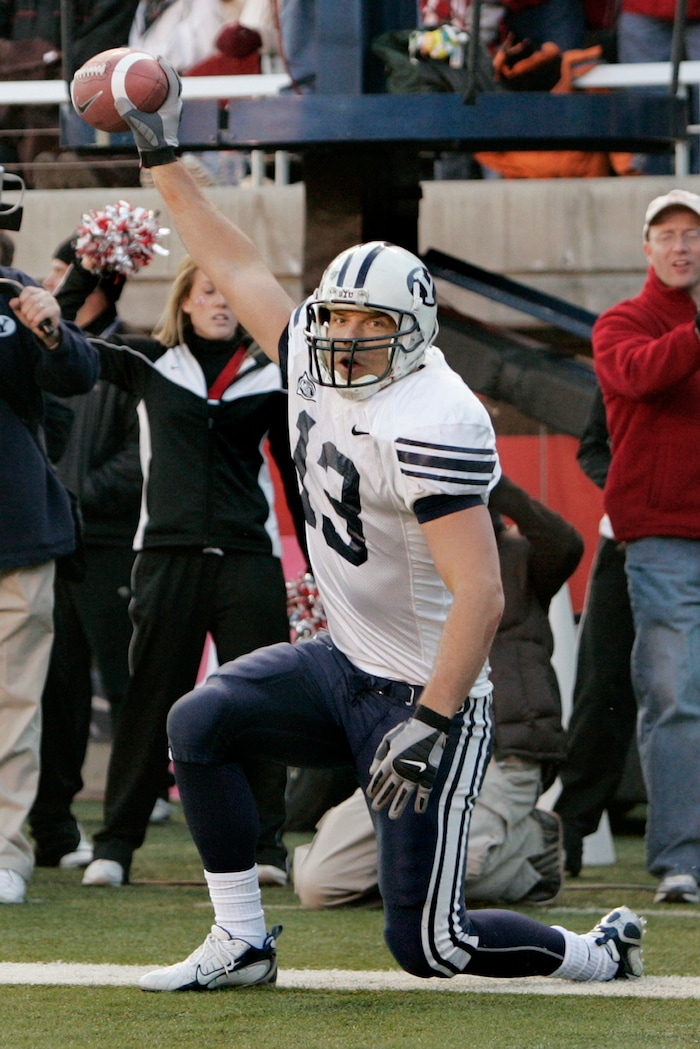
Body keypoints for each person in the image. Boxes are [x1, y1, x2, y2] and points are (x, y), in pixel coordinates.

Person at [108, 66, 645, 992]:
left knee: (428, 945)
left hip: (428, 693)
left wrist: (429, 722)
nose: (344, 335)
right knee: (199, 721)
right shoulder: (313, 353)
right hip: (344, 663)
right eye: (338, 316)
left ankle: (598, 952)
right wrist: (157, 145)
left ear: (414, 331)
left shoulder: (435, 414)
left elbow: (479, 592)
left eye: (369, 322)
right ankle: (241, 939)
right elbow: (231, 260)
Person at [69, 252, 306, 890]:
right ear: (185, 301)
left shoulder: (272, 377)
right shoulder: (148, 363)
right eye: (208, 290)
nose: (221, 301)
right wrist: (77, 280)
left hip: (247, 561)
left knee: (261, 702)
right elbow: (68, 349)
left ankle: (266, 847)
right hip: (165, 559)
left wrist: (319, 568)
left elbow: (296, 480)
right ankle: (116, 844)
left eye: (230, 291)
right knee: (150, 699)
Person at [293, 474, 584, 908]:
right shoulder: (392, 565)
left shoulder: (517, 559)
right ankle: (417, 869)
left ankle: (533, 845)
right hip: (410, 750)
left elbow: (565, 544)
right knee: (321, 884)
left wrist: (488, 479)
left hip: (502, 757)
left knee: (452, 875)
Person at [592, 187, 700, 906]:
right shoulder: (620, 323)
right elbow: (639, 374)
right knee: (676, 696)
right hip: (661, 536)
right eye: (668, 234)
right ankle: (681, 858)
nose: (682, 245)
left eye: (692, 233)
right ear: (646, 248)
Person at [27, 233, 142, 870]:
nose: (50, 280)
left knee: (124, 682)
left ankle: (127, 816)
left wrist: (73, 493)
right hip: (50, 540)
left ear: (101, 284)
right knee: (54, 690)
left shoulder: (131, 356)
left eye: (64, 272)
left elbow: (138, 460)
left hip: (107, 544)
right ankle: (54, 824)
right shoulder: (32, 348)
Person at [0, 249, 98, 904]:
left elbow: (79, 375)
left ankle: (5, 850)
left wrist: (53, 330)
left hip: (17, 530)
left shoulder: (15, 293)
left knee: (13, 705)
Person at [553, 386, 638, 878]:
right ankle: (572, 824)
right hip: (629, 537)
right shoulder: (629, 344)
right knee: (602, 686)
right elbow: (593, 446)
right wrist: (635, 495)